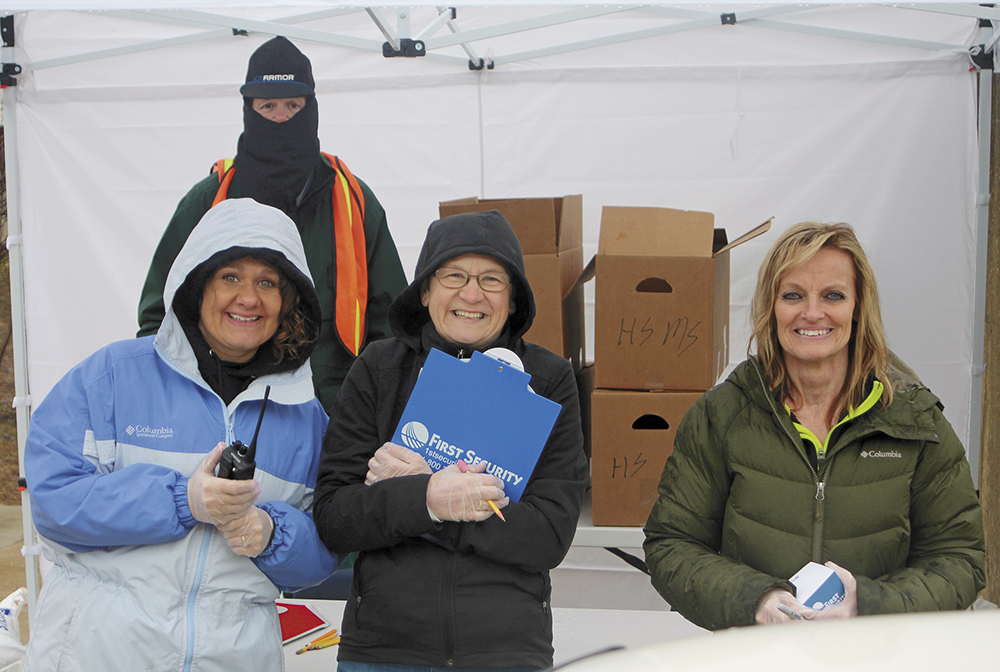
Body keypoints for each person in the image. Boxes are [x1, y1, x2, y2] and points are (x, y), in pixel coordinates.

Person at [23, 198, 336, 670]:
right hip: (98, 651)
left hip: (235, 657)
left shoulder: (307, 417)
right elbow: (54, 504)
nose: (248, 298)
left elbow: (324, 554)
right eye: (230, 276)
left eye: (267, 283)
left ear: (289, 302)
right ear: (197, 285)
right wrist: (182, 501)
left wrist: (271, 533)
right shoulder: (109, 376)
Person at [643, 221, 985, 630]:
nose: (812, 312)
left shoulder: (914, 421)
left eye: (833, 295)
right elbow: (672, 545)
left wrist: (869, 604)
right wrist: (758, 600)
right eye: (793, 295)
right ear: (771, 306)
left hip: (876, 657)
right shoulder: (721, 416)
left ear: (859, 308)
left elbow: (960, 558)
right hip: (755, 656)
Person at [312, 210, 589, 670]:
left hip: (506, 651)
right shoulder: (379, 370)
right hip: (384, 649)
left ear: (514, 298)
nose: (472, 293)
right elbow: (335, 517)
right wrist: (429, 498)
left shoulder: (548, 381)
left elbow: (547, 536)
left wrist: (433, 498)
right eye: (453, 275)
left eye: (492, 279)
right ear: (425, 290)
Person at [137, 35, 407, 411]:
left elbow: (391, 322)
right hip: (226, 406)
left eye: (293, 105)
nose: (281, 118)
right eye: (268, 106)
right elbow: (157, 315)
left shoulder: (353, 201)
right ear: (248, 109)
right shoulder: (209, 199)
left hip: (332, 411)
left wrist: (369, 411)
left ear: (312, 108)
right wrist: (180, 402)